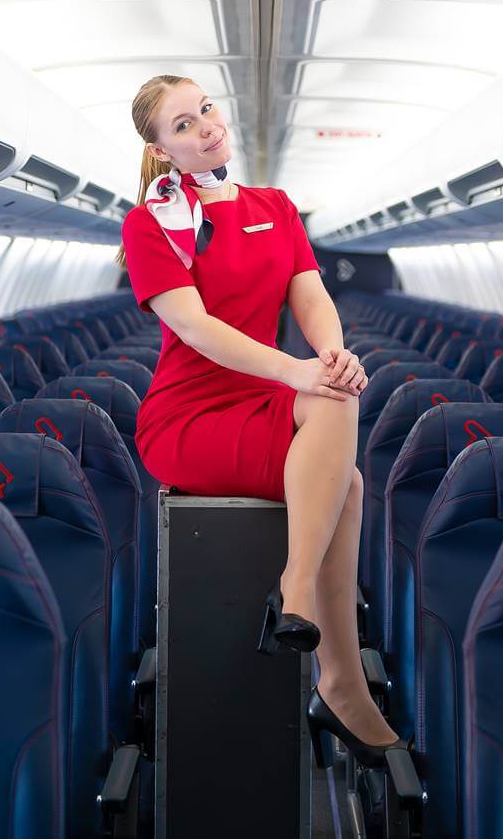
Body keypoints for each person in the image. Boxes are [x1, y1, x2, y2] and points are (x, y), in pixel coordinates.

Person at [118, 74, 399, 764]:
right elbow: (197, 329)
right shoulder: (151, 223)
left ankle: (326, 657)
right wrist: (297, 371)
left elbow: (310, 294)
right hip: (189, 411)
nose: (205, 126)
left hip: (262, 395)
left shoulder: (275, 205)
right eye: (182, 124)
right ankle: (322, 648)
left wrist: (330, 357)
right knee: (347, 477)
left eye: (206, 109)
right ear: (161, 149)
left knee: (343, 425)